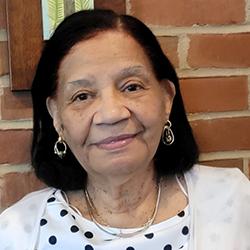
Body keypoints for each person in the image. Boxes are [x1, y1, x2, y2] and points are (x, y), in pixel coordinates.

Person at [0, 9, 249, 250]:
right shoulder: (18, 233)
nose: (111, 114)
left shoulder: (234, 201)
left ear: (166, 98)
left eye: (132, 87)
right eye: (82, 96)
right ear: (56, 116)